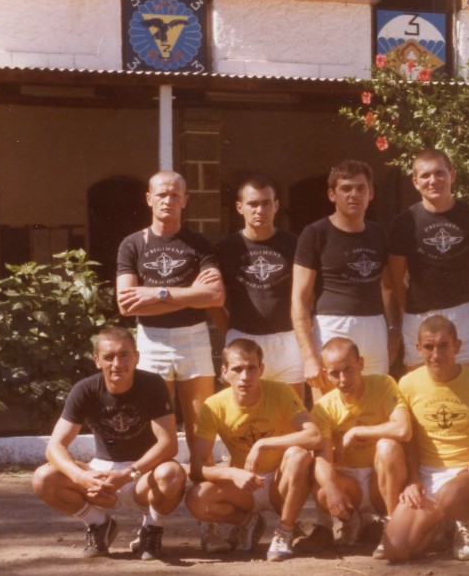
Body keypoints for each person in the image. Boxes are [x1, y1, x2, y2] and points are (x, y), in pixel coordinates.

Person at [32, 327, 186, 561]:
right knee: (43, 478)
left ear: (136, 357)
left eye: (124, 355)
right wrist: (80, 477)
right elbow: (55, 447)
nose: (117, 363)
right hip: (101, 471)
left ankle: (151, 530)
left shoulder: (153, 385)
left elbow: (168, 444)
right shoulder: (85, 389)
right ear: (97, 361)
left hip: (142, 474)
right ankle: (99, 523)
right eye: (109, 356)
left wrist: (128, 474)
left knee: (172, 473)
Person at [116, 170, 224, 453]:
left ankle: (202, 483)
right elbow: (127, 304)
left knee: (201, 426)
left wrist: (157, 293)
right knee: (156, 432)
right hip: (152, 340)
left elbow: (215, 295)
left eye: (175, 195)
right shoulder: (133, 244)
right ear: (149, 199)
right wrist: (191, 295)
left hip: (194, 337)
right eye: (162, 194)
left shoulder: (199, 243)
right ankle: (162, 491)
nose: (168, 200)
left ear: (185, 200)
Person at [185, 338, 322, 562]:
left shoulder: (280, 392)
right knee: (197, 499)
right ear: (225, 371)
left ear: (261, 369)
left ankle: (285, 531)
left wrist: (263, 444)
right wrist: (231, 473)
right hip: (244, 485)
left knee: (298, 455)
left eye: (251, 368)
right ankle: (248, 523)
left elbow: (314, 435)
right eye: (237, 369)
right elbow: (196, 467)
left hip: (281, 482)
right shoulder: (214, 405)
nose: (245, 377)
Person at [382, 315, 469, 562]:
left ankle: (468, 522)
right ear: (418, 349)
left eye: (443, 345)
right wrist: (413, 479)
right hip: (428, 475)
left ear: (457, 346)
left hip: (468, 474)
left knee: (451, 496)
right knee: (396, 550)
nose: (436, 354)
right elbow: (410, 440)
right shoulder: (408, 384)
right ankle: (441, 524)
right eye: (428, 347)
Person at [293, 160, 399, 400]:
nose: (354, 194)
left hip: (374, 328)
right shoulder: (315, 234)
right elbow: (299, 299)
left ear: (371, 193)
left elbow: (388, 287)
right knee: (329, 412)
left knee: (375, 407)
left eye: (361, 188)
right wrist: (309, 356)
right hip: (331, 326)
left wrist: (394, 332)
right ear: (332, 194)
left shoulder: (378, 233)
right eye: (346, 188)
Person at [305, 337, 412, 559]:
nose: (343, 379)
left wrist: (356, 432)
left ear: (361, 363)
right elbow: (322, 457)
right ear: (325, 374)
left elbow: (404, 430)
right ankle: (353, 521)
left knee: (388, 446)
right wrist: (333, 489)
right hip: (349, 482)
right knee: (323, 488)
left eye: (349, 369)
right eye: (335, 373)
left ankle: (391, 528)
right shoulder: (324, 407)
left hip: (380, 476)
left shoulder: (383, 383)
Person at [388, 150, 469, 370]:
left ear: (452, 175)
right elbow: (395, 279)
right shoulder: (404, 223)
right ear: (415, 182)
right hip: (418, 316)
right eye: (425, 176)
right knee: (421, 391)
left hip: (463, 314)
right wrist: (410, 307)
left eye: (439, 173)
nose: (433, 180)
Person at [213, 177, 303, 398]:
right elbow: (211, 300)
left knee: (292, 411)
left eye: (266, 203)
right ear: (239, 207)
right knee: (240, 413)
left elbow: (307, 294)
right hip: (242, 338)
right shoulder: (225, 248)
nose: (260, 209)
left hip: (288, 339)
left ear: (276, 206)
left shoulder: (295, 245)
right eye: (253, 204)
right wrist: (233, 331)